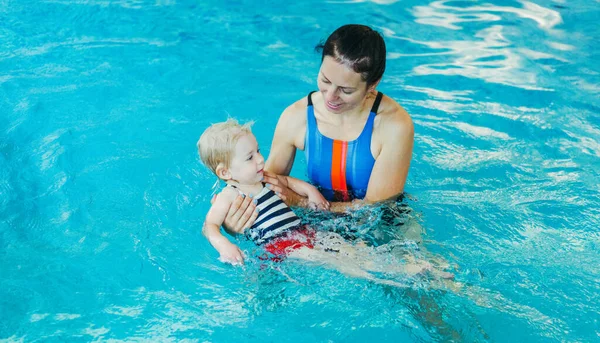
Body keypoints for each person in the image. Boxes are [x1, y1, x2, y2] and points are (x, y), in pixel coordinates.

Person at [197, 119, 452, 283]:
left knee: (352, 249)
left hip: (302, 232)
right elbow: (210, 226)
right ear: (225, 173)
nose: (261, 160)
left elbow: (289, 182)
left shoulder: (264, 177)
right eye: (250, 157)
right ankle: (400, 274)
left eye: (259, 151)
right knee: (340, 262)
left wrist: (310, 192)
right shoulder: (229, 196)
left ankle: (413, 267)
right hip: (282, 246)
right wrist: (223, 245)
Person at [223, 24, 414, 232]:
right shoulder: (297, 117)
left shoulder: (394, 125)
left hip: (384, 227)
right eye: (325, 80)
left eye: (346, 90)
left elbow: (376, 209)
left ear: (372, 85)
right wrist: (231, 221)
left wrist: (302, 202)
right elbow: (262, 184)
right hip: (316, 225)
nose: (330, 96)